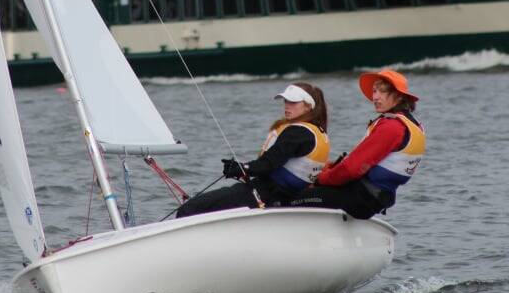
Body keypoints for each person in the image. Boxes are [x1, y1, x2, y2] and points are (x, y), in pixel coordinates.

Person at [175, 83, 330, 217]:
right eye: (286, 101)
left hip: (265, 194)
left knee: (189, 209)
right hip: (276, 193)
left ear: (308, 106)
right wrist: (243, 169)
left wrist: (241, 168)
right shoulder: (318, 132)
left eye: (293, 102)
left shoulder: (298, 132)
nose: (287, 105)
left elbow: (268, 164)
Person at [289, 68, 425, 219]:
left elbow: (351, 169)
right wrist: (329, 169)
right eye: (374, 91)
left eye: (383, 92)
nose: (375, 97)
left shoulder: (391, 127)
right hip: (372, 198)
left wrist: (320, 179)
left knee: (292, 198)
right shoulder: (413, 125)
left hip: (359, 199)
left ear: (399, 97)